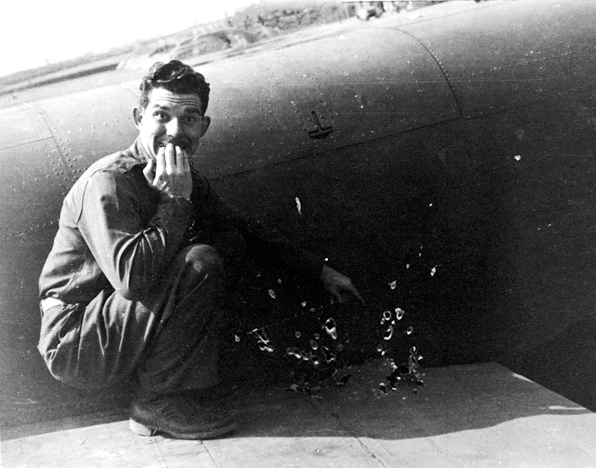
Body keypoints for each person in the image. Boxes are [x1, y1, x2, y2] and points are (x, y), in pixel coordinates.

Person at [37, 60, 364, 440]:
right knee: (200, 261)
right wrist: (175, 201)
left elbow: (244, 228)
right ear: (139, 117)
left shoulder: (184, 176)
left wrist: (321, 273)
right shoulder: (110, 182)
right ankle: (157, 404)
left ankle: (188, 381)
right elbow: (130, 280)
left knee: (229, 244)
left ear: (203, 127)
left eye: (189, 118)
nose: (175, 131)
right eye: (161, 115)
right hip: (75, 342)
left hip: (115, 327)